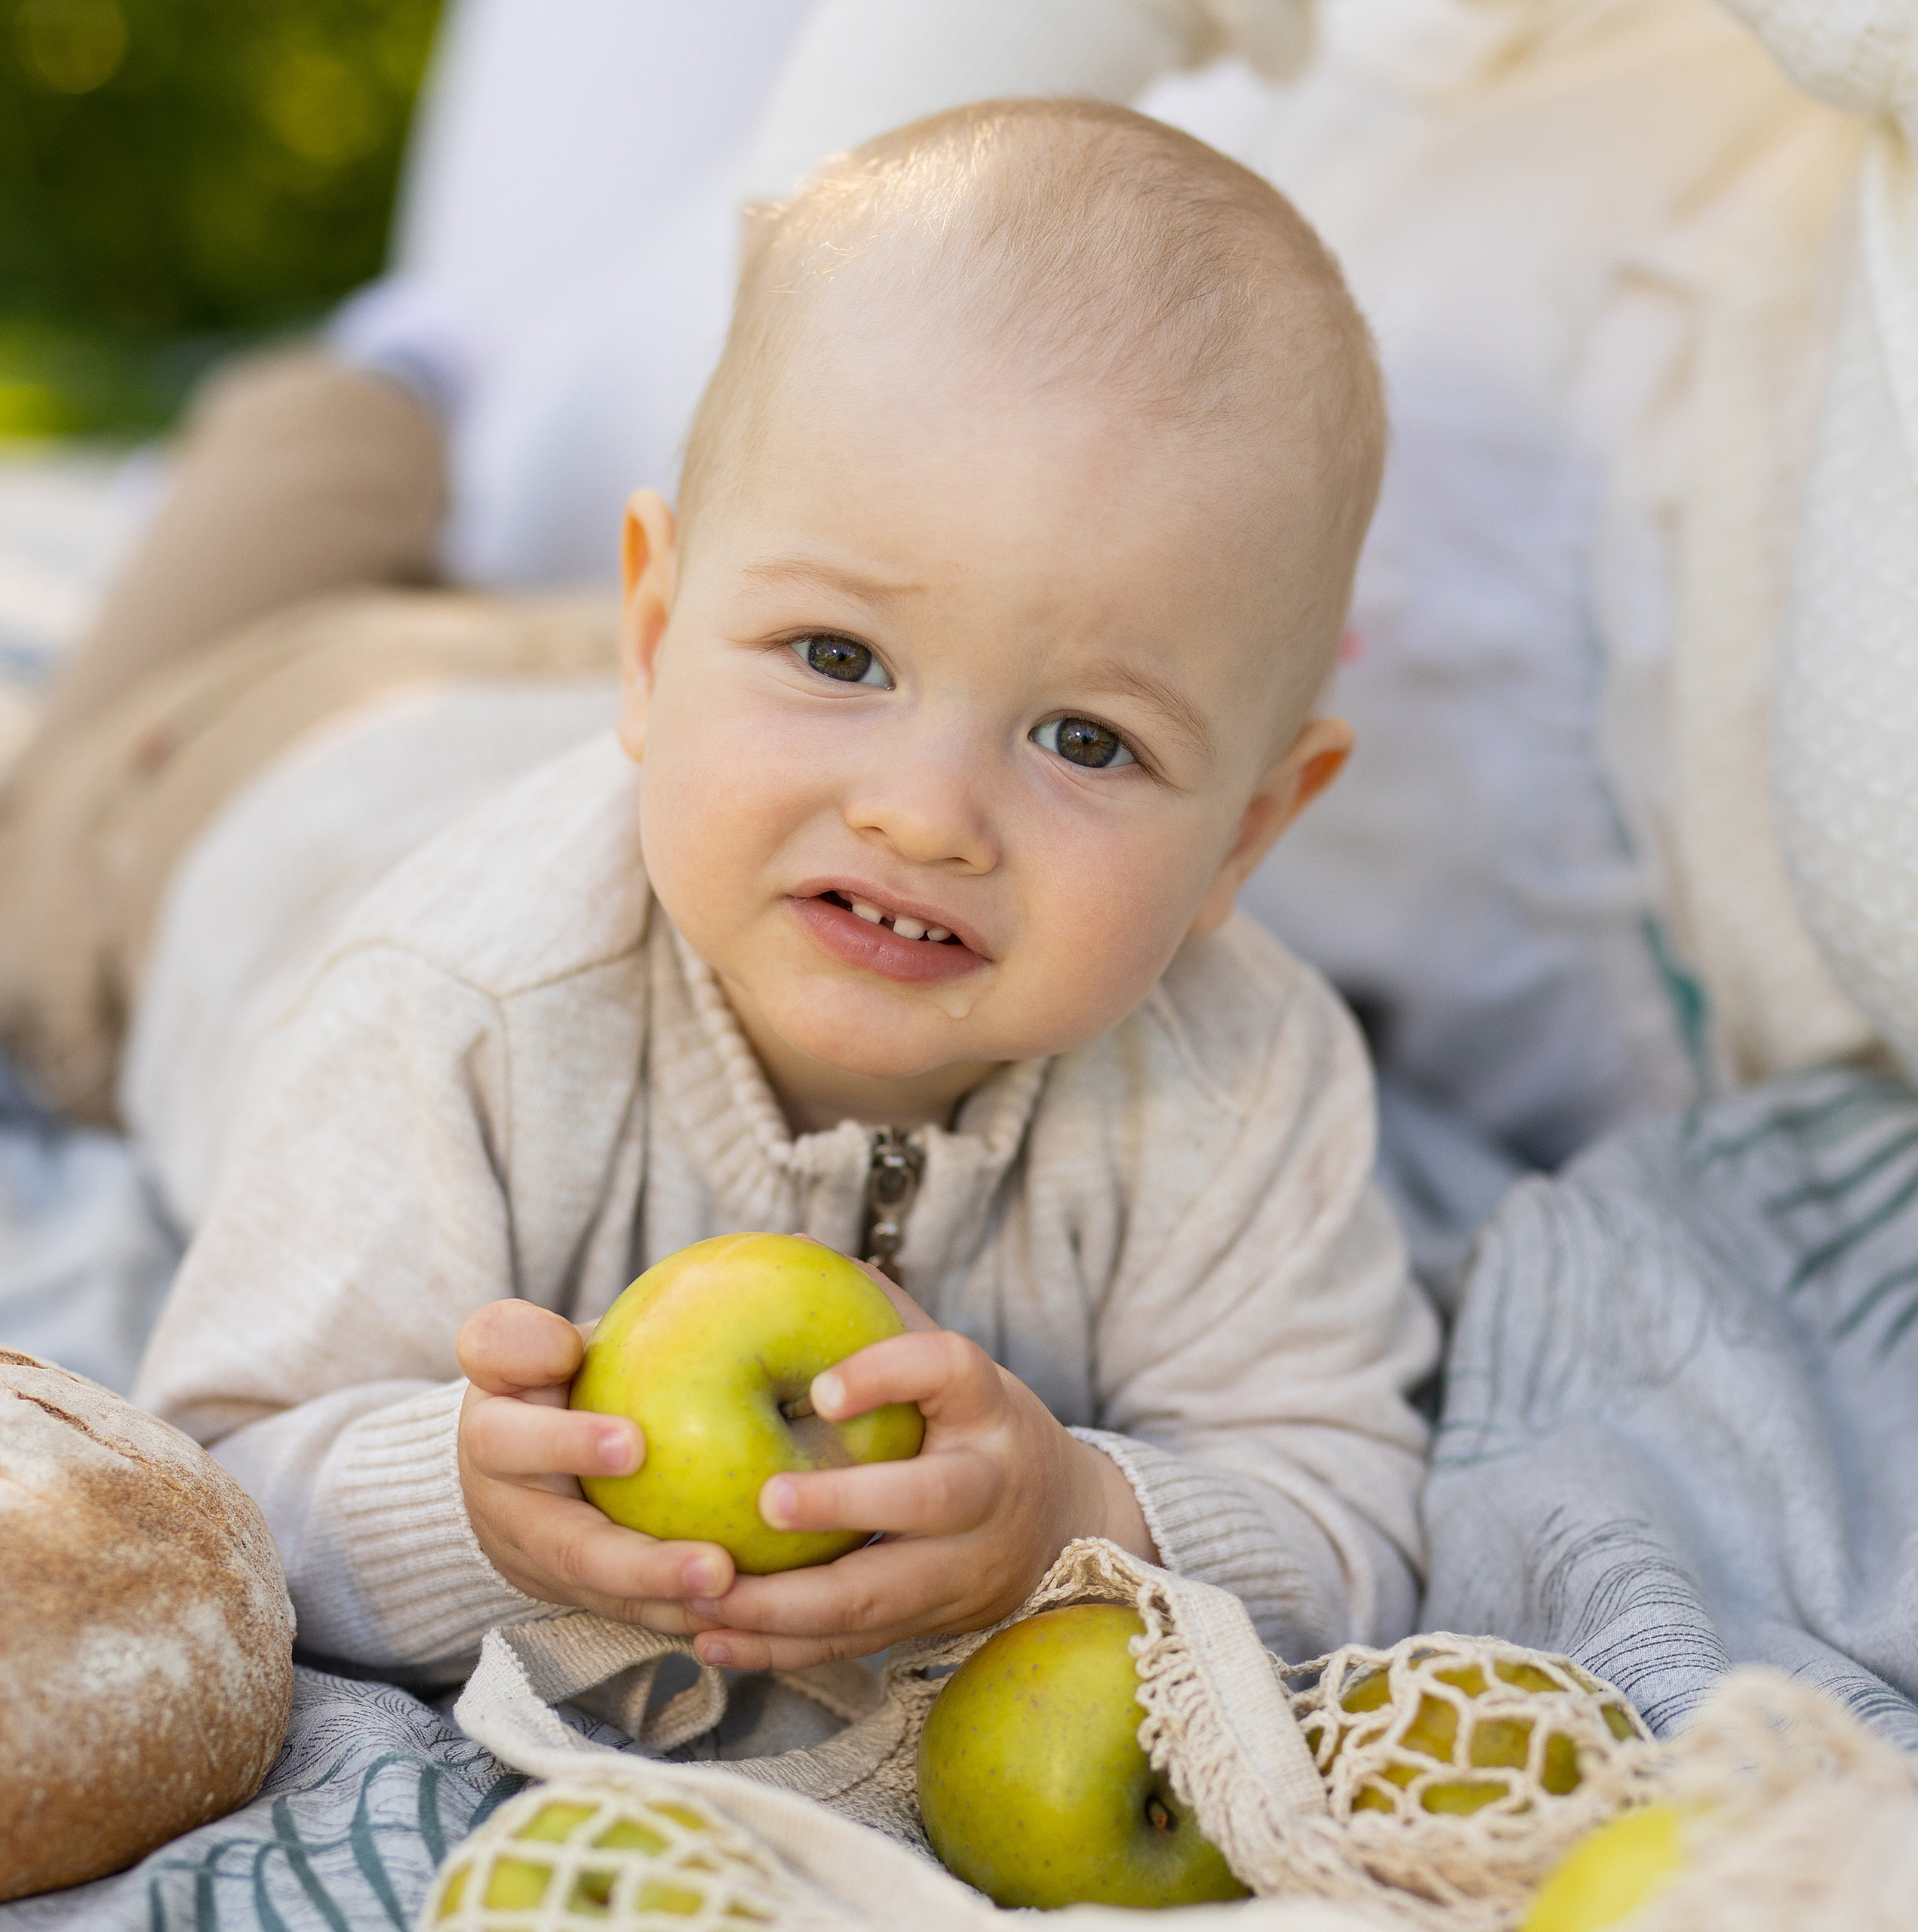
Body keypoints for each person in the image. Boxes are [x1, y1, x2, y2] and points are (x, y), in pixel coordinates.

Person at [118, 103, 1437, 1684]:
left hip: (626, 732)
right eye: (840, 655)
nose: (922, 812)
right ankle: (371, 391)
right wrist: (458, 1504)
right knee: (194, 641)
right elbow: (214, 1474)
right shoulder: (452, 1002)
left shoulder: (1239, 1085)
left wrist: (1076, 1515)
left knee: (650, 652)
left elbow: (1354, 1525)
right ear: (657, 638)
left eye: (1085, 737)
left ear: (1248, 830)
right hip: (239, 791)